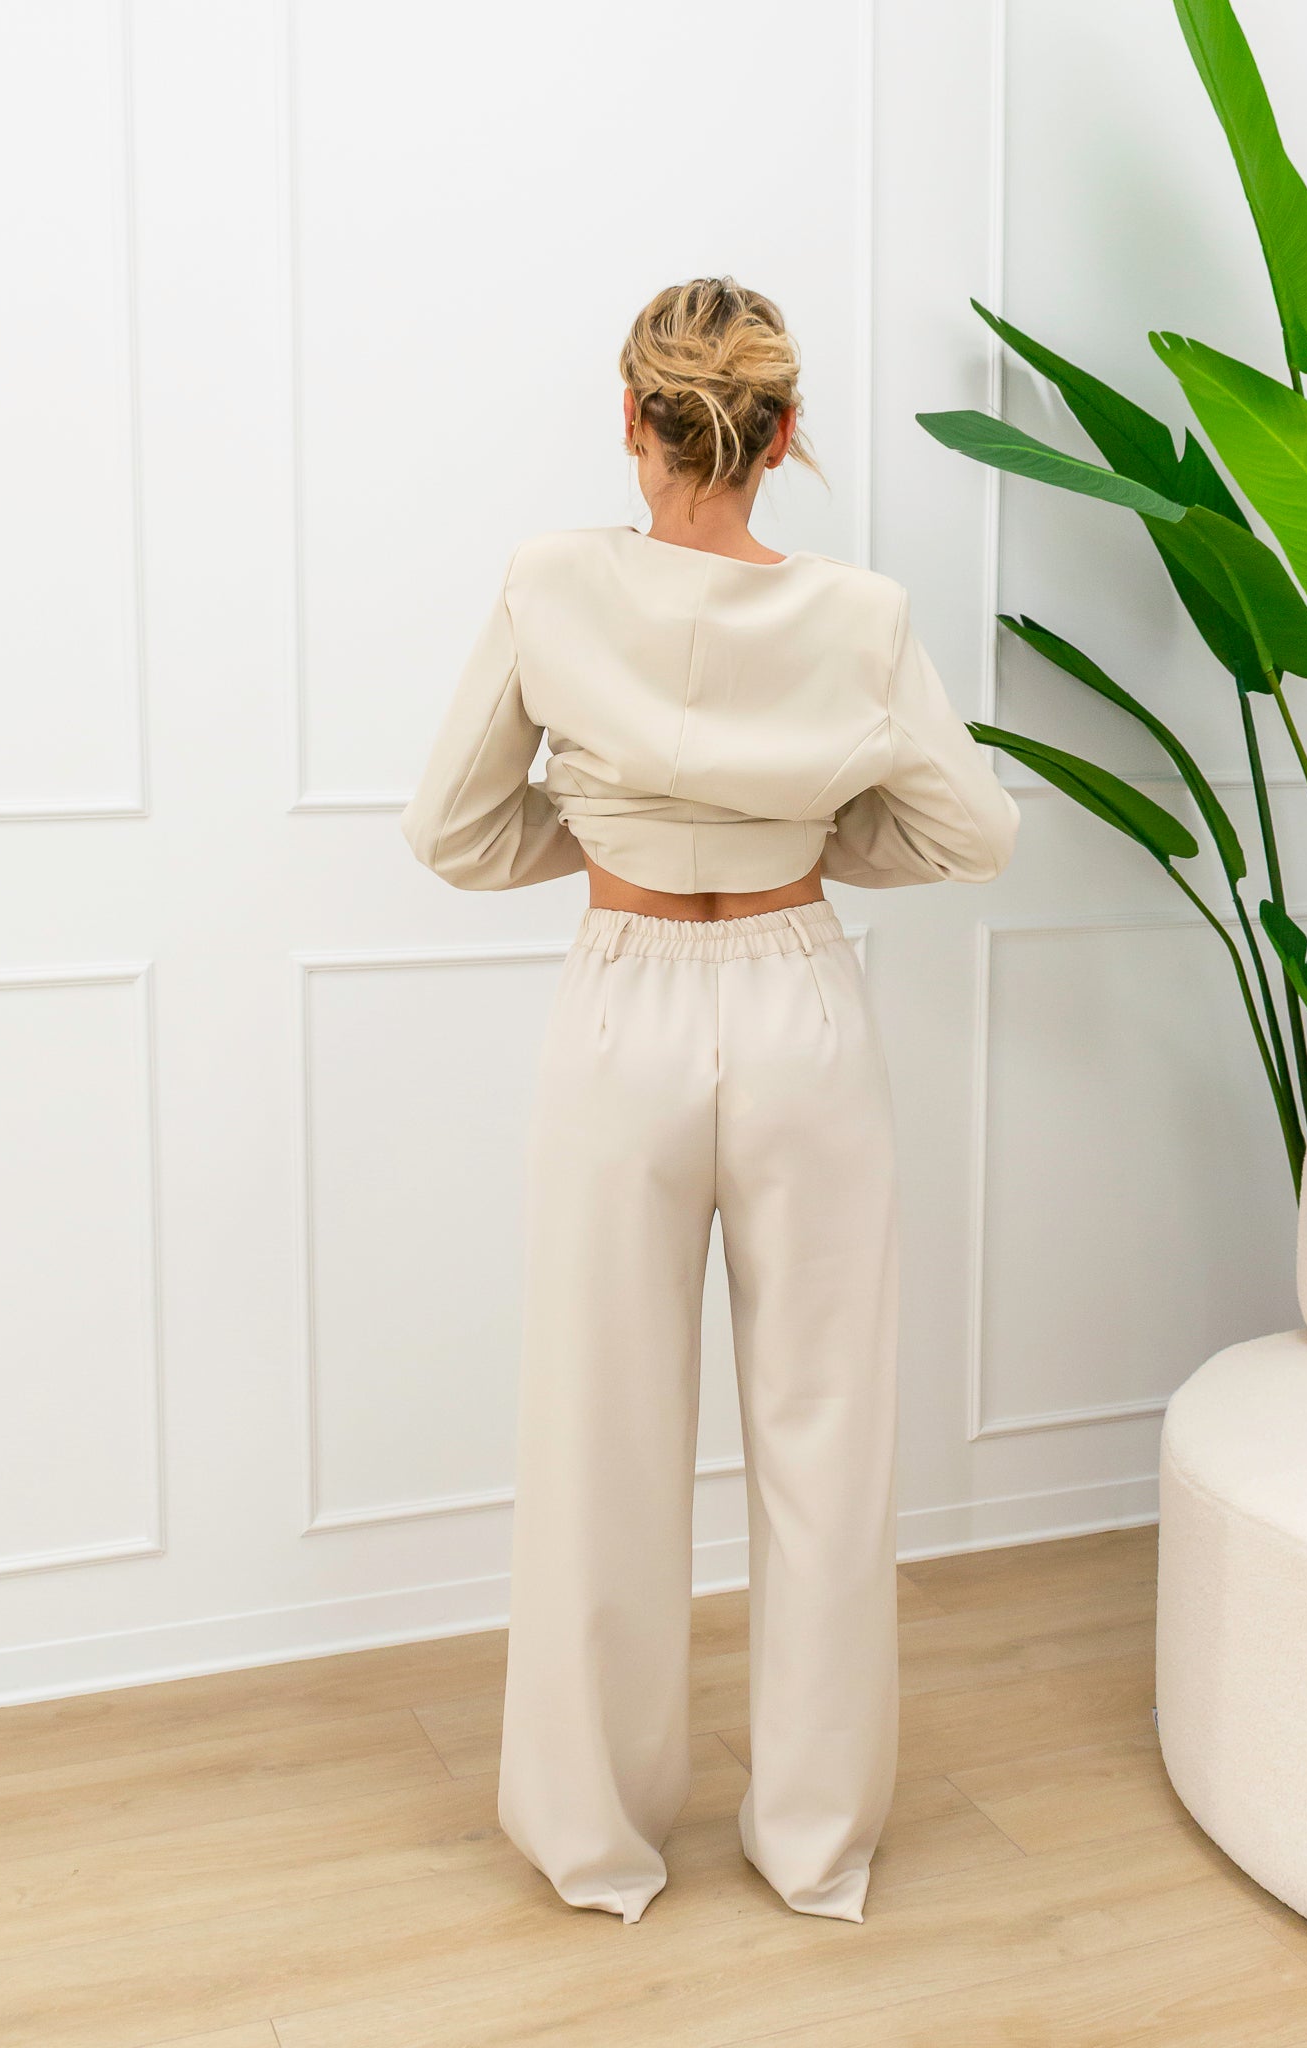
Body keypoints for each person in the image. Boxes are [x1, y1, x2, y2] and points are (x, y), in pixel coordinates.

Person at [400, 276, 1020, 1927]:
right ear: (785, 431)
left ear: (632, 417)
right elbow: (972, 833)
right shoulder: (859, 615)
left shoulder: (549, 584)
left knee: (598, 1427)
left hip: (622, 1008)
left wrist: (612, 830)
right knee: (826, 1430)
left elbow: (451, 830)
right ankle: (815, 1843)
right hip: (801, 1004)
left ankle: (596, 1841)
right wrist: (799, 836)